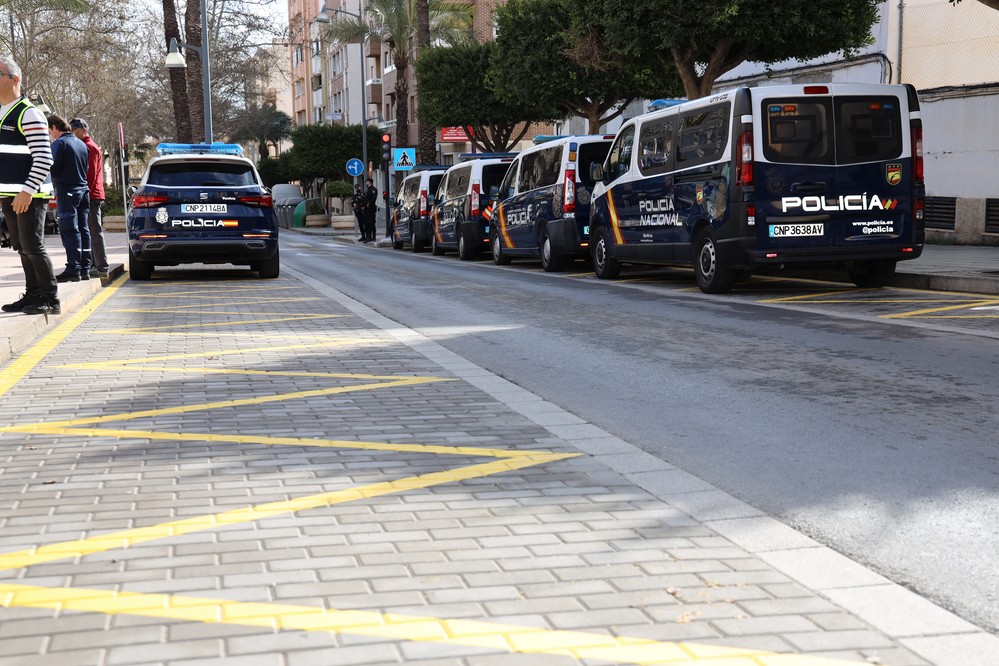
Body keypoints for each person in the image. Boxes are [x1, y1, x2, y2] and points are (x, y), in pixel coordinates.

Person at [0, 56, 58, 316]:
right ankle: (33, 295)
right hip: (9, 194)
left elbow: (44, 158)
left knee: (33, 246)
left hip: (29, 194)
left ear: (15, 79)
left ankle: (50, 299)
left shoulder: (28, 112)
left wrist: (26, 191)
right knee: (21, 247)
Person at [47, 114, 90, 282]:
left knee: (69, 230)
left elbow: (53, 167)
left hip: (67, 191)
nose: (50, 135)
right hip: (83, 191)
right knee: (83, 229)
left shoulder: (60, 143)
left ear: (55, 128)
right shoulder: (81, 144)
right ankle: (85, 267)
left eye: (50, 131)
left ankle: (73, 268)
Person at [70, 117, 108, 278]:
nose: (72, 133)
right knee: (89, 230)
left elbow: (90, 174)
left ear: (83, 130)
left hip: (91, 195)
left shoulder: (89, 147)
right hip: (89, 194)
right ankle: (94, 264)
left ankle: (101, 267)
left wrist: (83, 193)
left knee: (94, 231)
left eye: (74, 130)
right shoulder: (83, 146)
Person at [363, 178, 378, 242]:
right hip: (366, 209)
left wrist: (369, 204)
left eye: (366, 182)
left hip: (371, 208)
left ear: (369, 182)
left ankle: (373, 237)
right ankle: (368, 237)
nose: (366, 183)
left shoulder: (373, 189)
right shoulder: (367, 190)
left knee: (371, 223)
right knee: (366, 223)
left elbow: (373, 198)